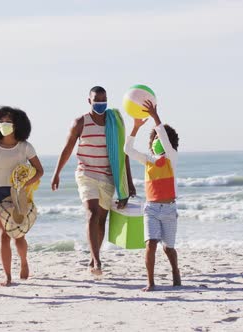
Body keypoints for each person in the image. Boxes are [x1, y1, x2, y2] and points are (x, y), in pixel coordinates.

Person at [51, 86, 136, 276]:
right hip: (86, 173)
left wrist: (128, 183)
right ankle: (97, 261)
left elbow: (124, 155)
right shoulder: (80, 122)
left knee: (101, 220)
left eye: (104, 100)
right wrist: (56, 173)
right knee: (91, 213)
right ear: (89, 101)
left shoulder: (114, 122)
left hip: (107, 176)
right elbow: (67, 149)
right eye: (97, 100)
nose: (101, 104)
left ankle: (93, 256)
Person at [0, 106, 44, 286]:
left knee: (18, 235)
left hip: (17, 194)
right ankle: (7, 275)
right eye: (2, 121)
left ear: (17, 124)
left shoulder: (25, 147)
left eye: (9, 122)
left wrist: (25, 184)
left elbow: (39, 171)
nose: (5, 124)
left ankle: (24, 262)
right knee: (3, 233)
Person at [123, 100, 181, 291]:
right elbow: (128, 150)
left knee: (168, 248)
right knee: (151, 244)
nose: (157, 140)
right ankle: (150, 282)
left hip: (169, 209)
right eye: (154, 137)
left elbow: (164, 138)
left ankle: (175, 273)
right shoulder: (148, 160)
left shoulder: (172, 157)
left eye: (160, 138)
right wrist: (135, 127)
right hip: (152, 209)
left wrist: (156, 118)